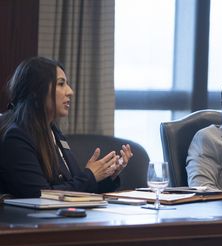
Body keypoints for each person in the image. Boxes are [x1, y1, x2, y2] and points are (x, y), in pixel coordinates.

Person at [0, 56, 133, 198]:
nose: (70, 91)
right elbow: (39, 195)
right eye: (61, 84)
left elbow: (76, 188)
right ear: (35, 92)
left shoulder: (53, 131)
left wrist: (107, 174)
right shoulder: (16, 137)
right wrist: (90, 176)